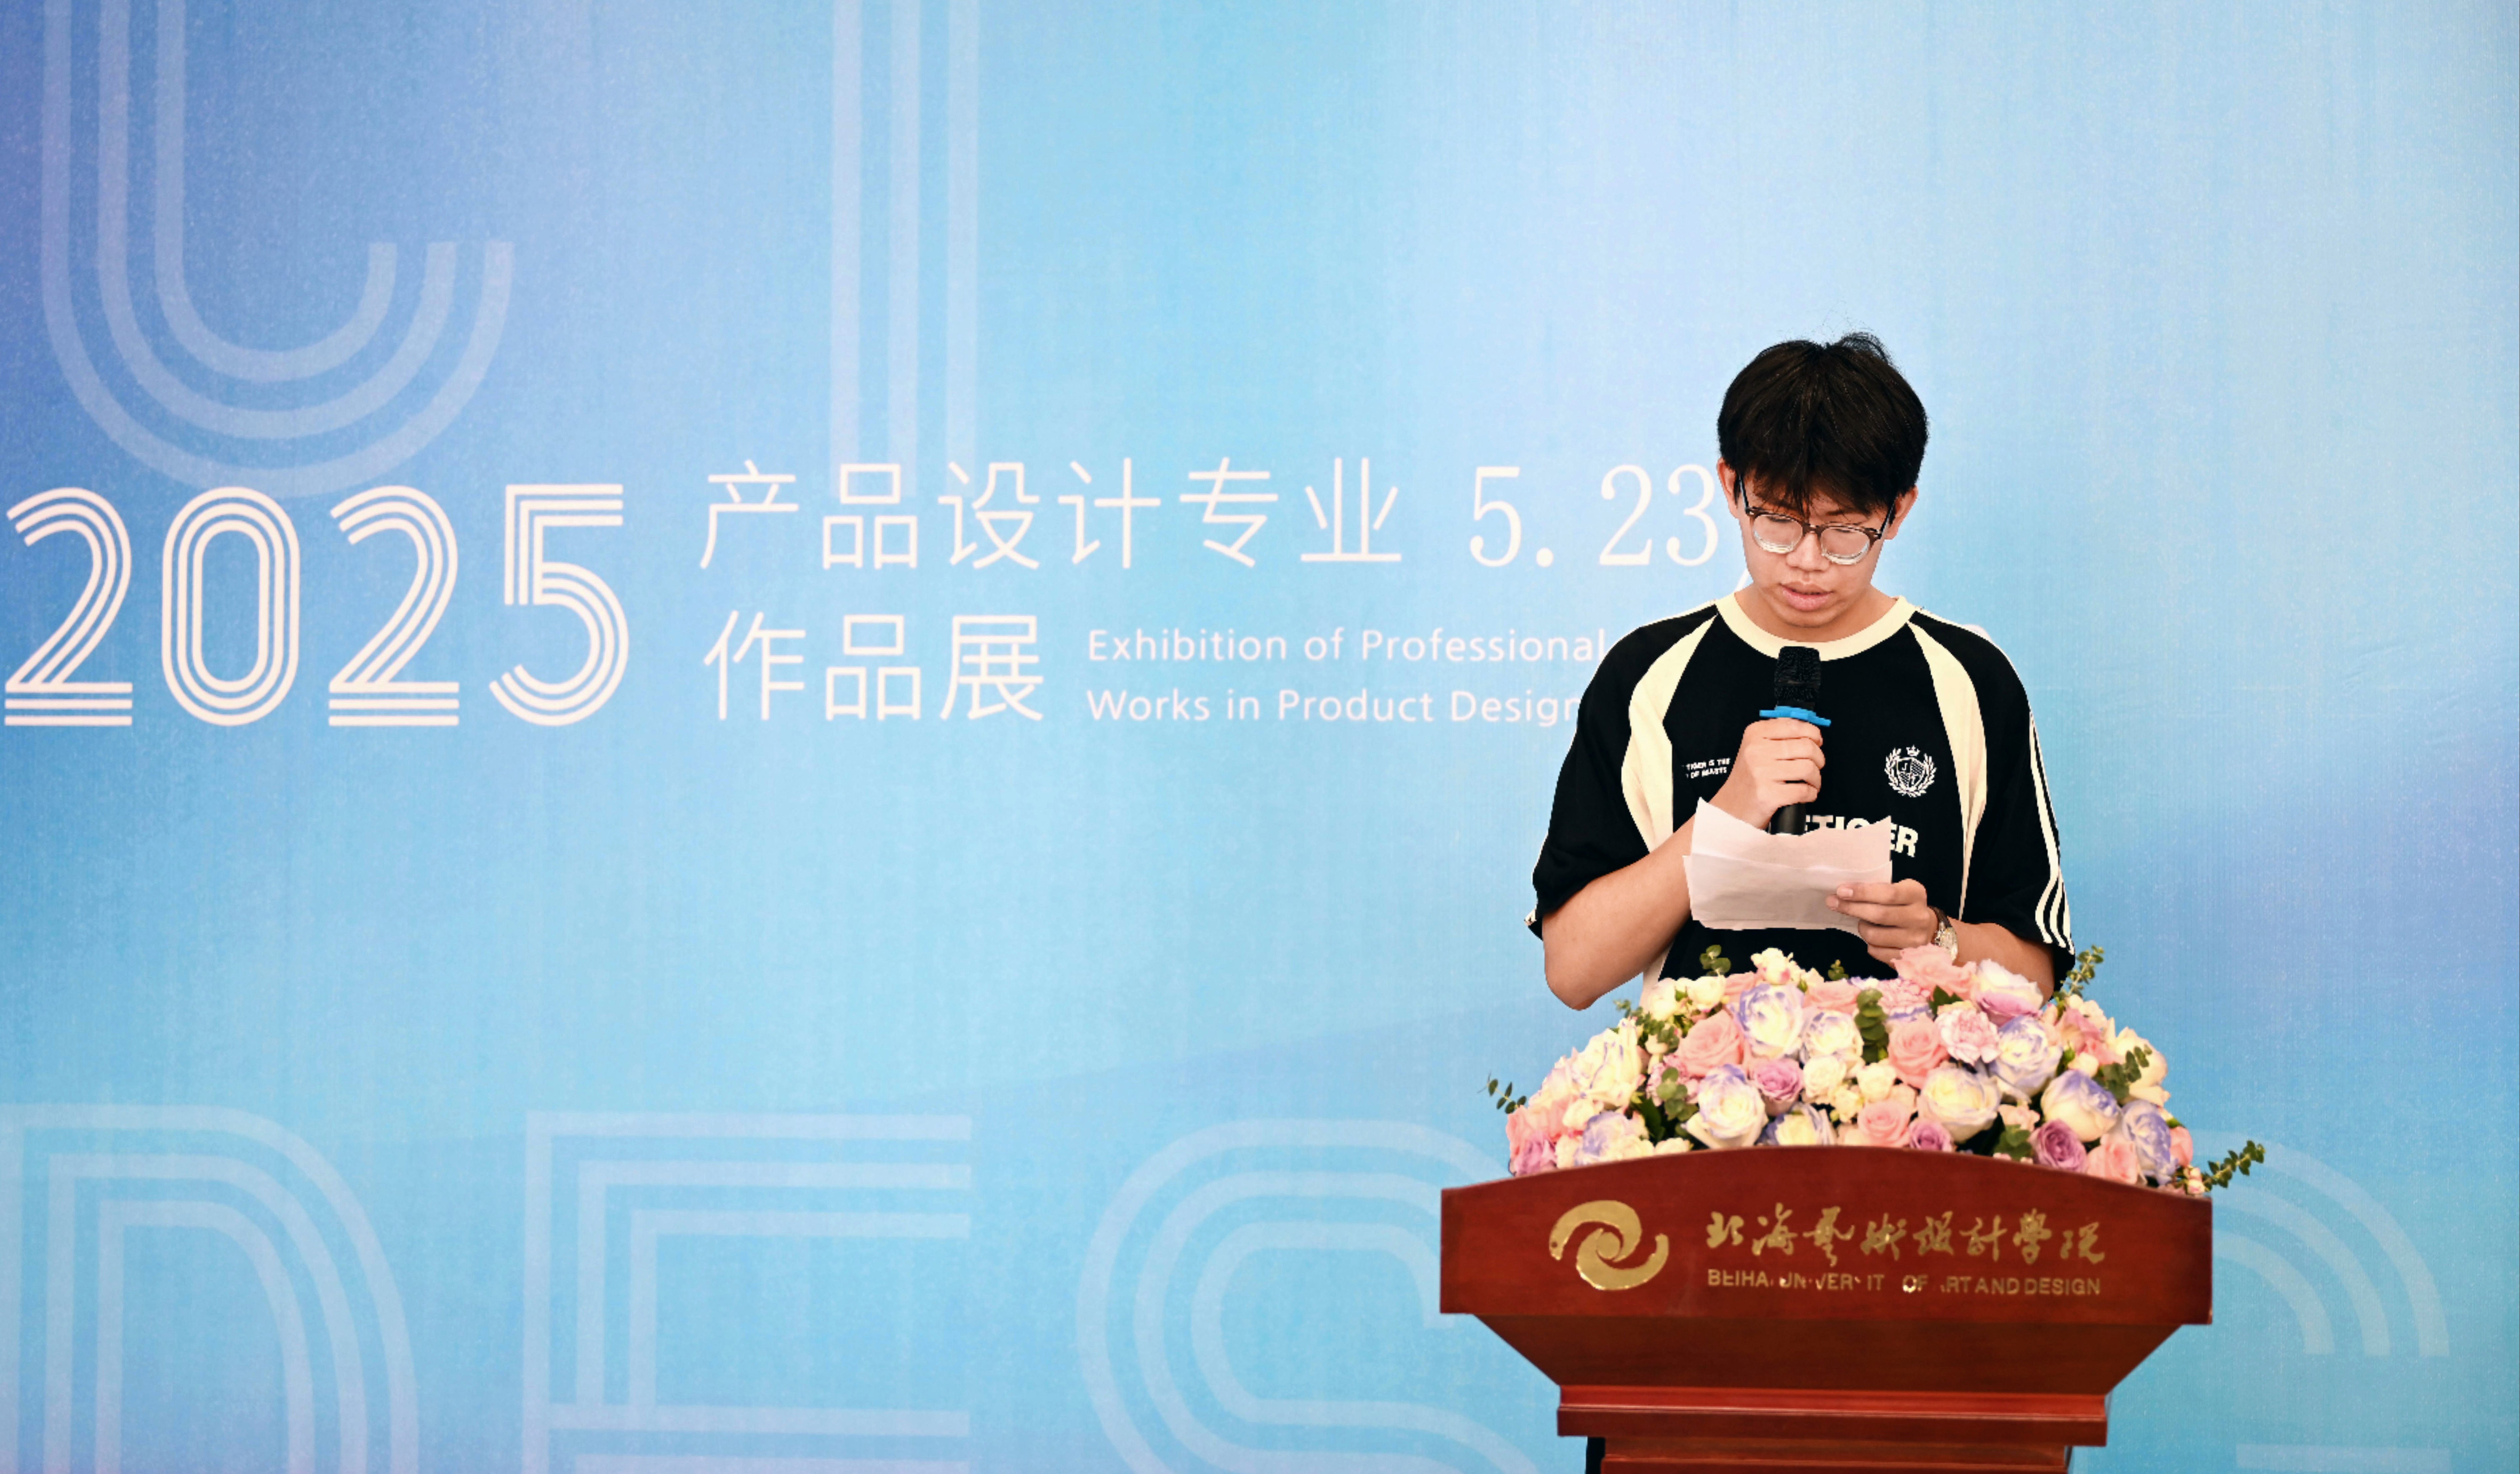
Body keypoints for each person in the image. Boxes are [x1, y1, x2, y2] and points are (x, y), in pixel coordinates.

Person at [1532, 333, 2071, 1015]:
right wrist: (1727, 816)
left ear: (1898, 510)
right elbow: (1573, 970)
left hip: (1912, 1082)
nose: (1807, 561)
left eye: (1845, 531)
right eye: (1778, 522)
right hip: (1702, 1083)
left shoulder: (1969, 679)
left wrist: (1938, 937)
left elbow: (2035, 973)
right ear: (1731, 488)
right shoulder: (1648, 674)